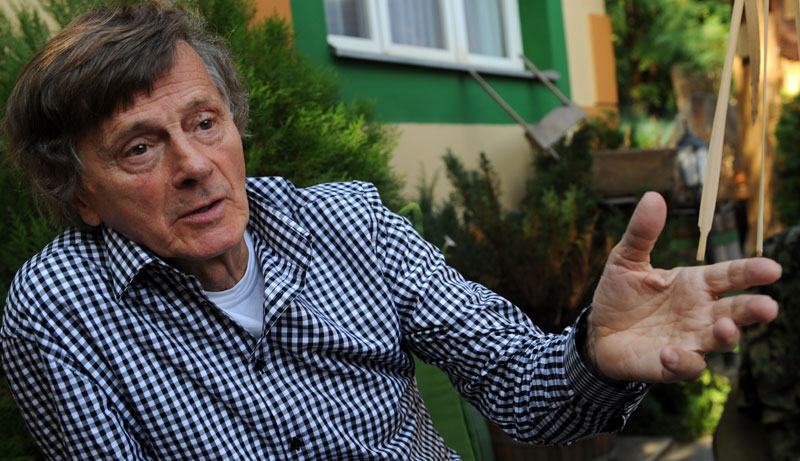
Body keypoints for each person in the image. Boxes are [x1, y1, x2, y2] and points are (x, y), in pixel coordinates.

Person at [0, 2, 781, 459]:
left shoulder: (350, 225)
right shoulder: (61, 309)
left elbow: (525, 388)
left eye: (205, 123)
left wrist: (595, 356)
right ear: (82, 194)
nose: (194, 165)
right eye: (140, 147)